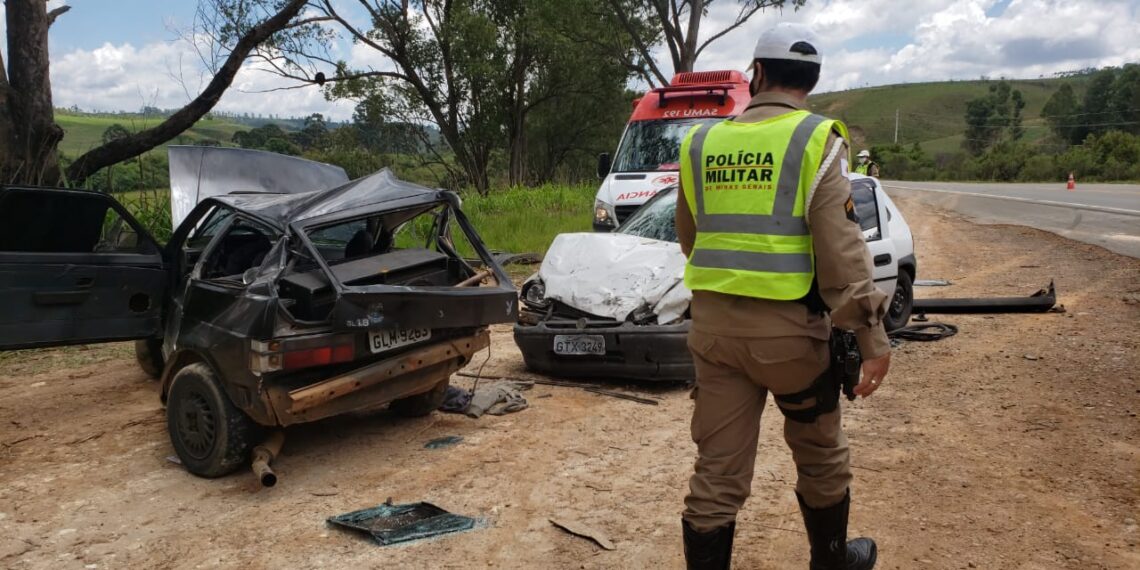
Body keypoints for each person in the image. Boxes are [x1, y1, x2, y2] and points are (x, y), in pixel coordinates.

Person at [674, 22, 891, 570]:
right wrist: (871, 336)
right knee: (820, 455)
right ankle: (831, 562)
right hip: (791, 340)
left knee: (716, 472)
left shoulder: (700, 142)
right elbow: (841, 250)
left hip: (715, 335)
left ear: (758, 72)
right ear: (811, 81)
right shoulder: (816, 139)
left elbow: (691, 239)